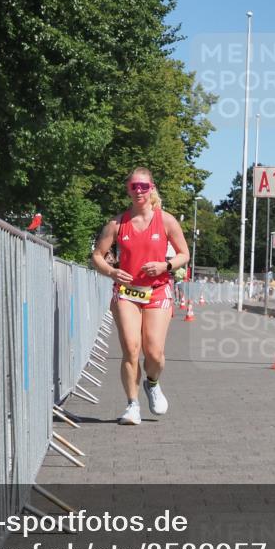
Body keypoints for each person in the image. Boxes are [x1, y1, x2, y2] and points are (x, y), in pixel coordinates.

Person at [91, 168, 189, 426]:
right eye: (134, 186)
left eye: (144, 186)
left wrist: (165, 266)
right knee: (131, 348)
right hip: (126, 293)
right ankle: (132, 405)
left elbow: (184, 254)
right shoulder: (117, 223)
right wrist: (112, 271)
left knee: (154, 353)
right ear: (128, 189)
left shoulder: (166, 220)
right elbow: (97, 256)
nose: (139, 191)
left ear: (152, 188)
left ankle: (152, 383)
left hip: (157, 291)